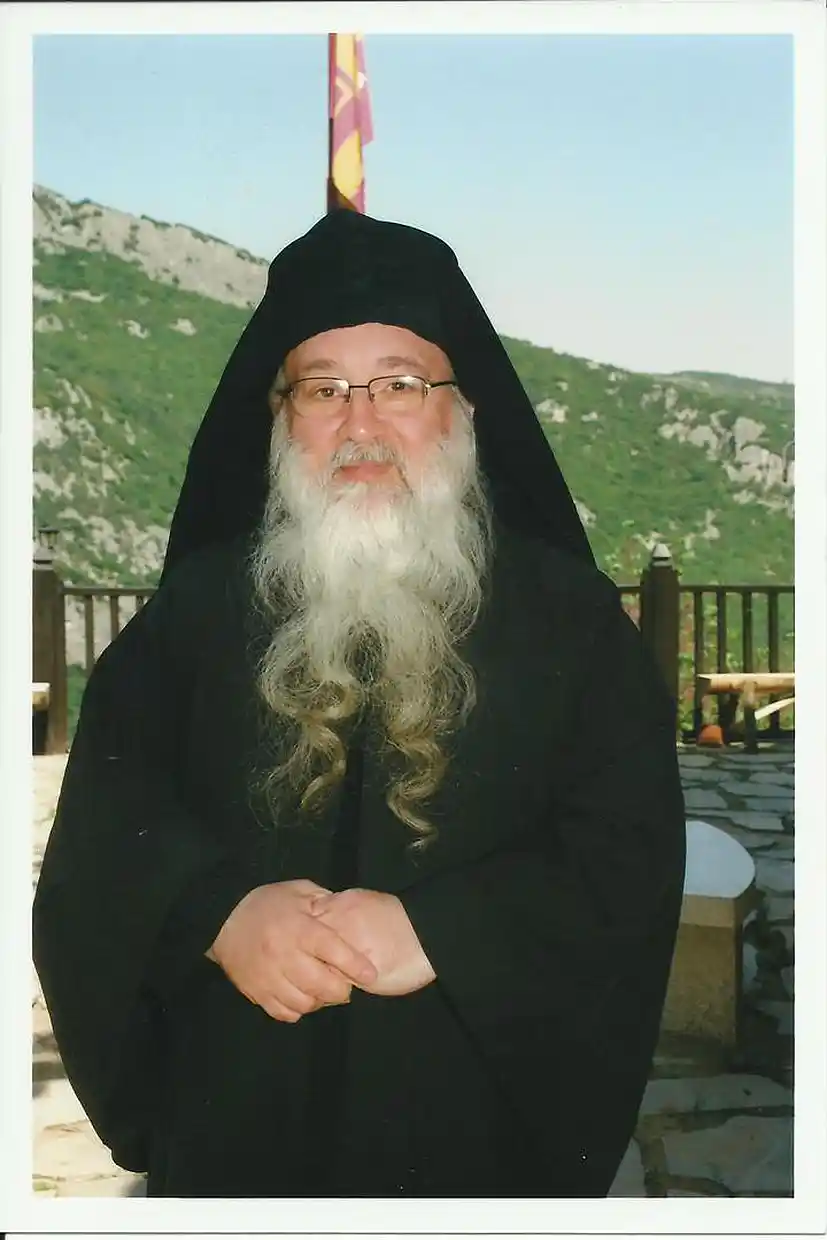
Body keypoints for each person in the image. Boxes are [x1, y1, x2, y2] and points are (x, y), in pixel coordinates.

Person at [33, 210, 686, 1198]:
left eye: (399, 383)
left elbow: (623, 856)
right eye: (323, 389)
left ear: (462, 412)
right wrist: (216, 914)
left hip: (472, 1142)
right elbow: (105, 829)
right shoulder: (195, 613)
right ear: (278, 419)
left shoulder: (572, 622)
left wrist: (445, 934)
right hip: (236, 1129)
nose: (361, 423)